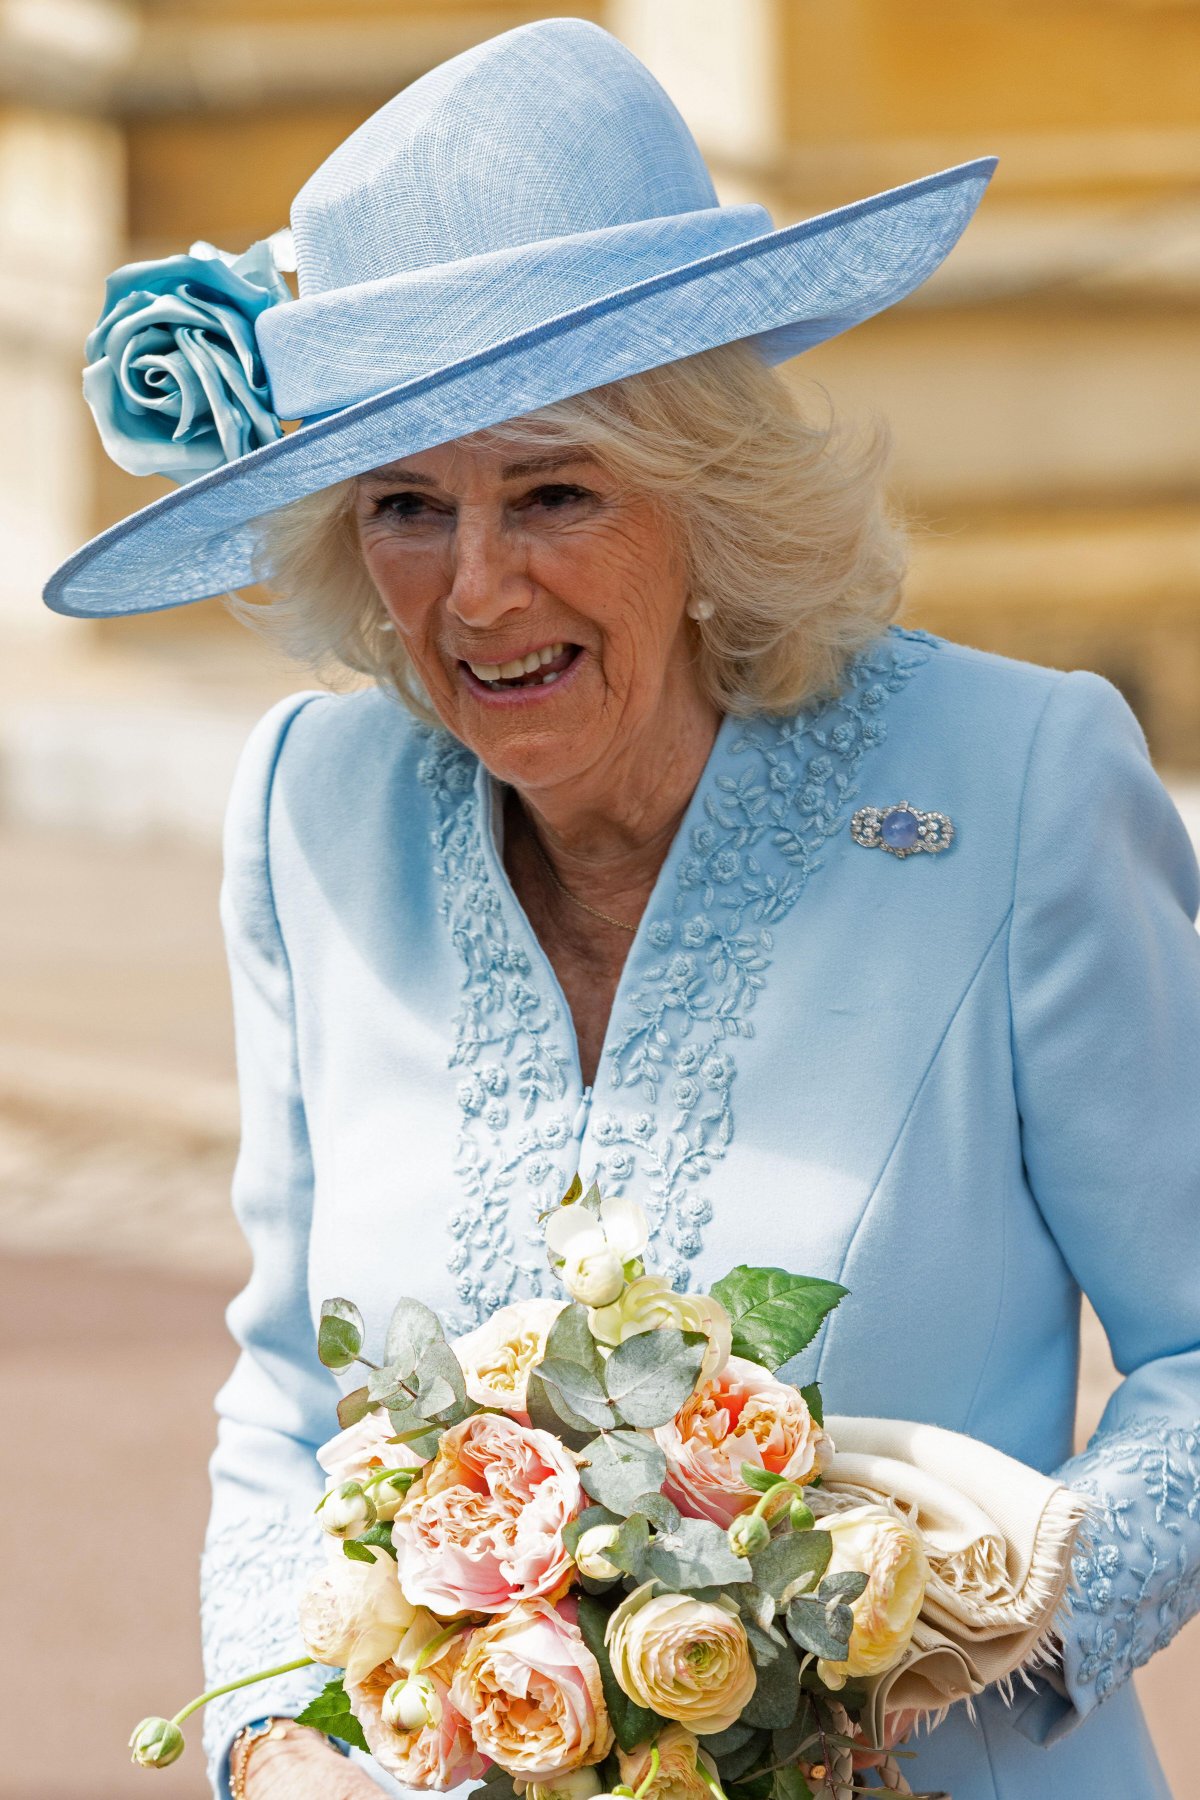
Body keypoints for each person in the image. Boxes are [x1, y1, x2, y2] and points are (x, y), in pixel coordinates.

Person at [46, 19, 1199, 1800]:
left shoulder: (1021, 781)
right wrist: (275, 1753)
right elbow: (285, 1405)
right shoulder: (310, 813)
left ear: (704, 490)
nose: (476, 590)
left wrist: (959, 1641)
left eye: (554, 491)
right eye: (407, 508)